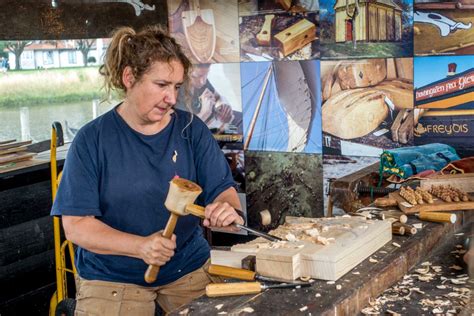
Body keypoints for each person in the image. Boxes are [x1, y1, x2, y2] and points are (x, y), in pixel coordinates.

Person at [51, 25, 244, 315]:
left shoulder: (191, 130)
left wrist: (226, 209)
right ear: (129, 78)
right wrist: (140, 247)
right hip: (112, 276)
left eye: (177, 87)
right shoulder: (92, 140)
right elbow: (76, 226)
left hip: (186, 266)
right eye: (161, 85)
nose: (171, 98)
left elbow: (223, 190)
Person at [177, 63, 243, 134]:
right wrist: (204, 113)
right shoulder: (177, 93)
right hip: (198, 131)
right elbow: (183, 130)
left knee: (243, 123)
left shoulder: (202, 81)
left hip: (215, 122)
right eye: (196, 76)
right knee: (237, 137)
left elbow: (218, 97)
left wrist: (224, 105)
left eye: (206, 74)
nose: (203, 81)